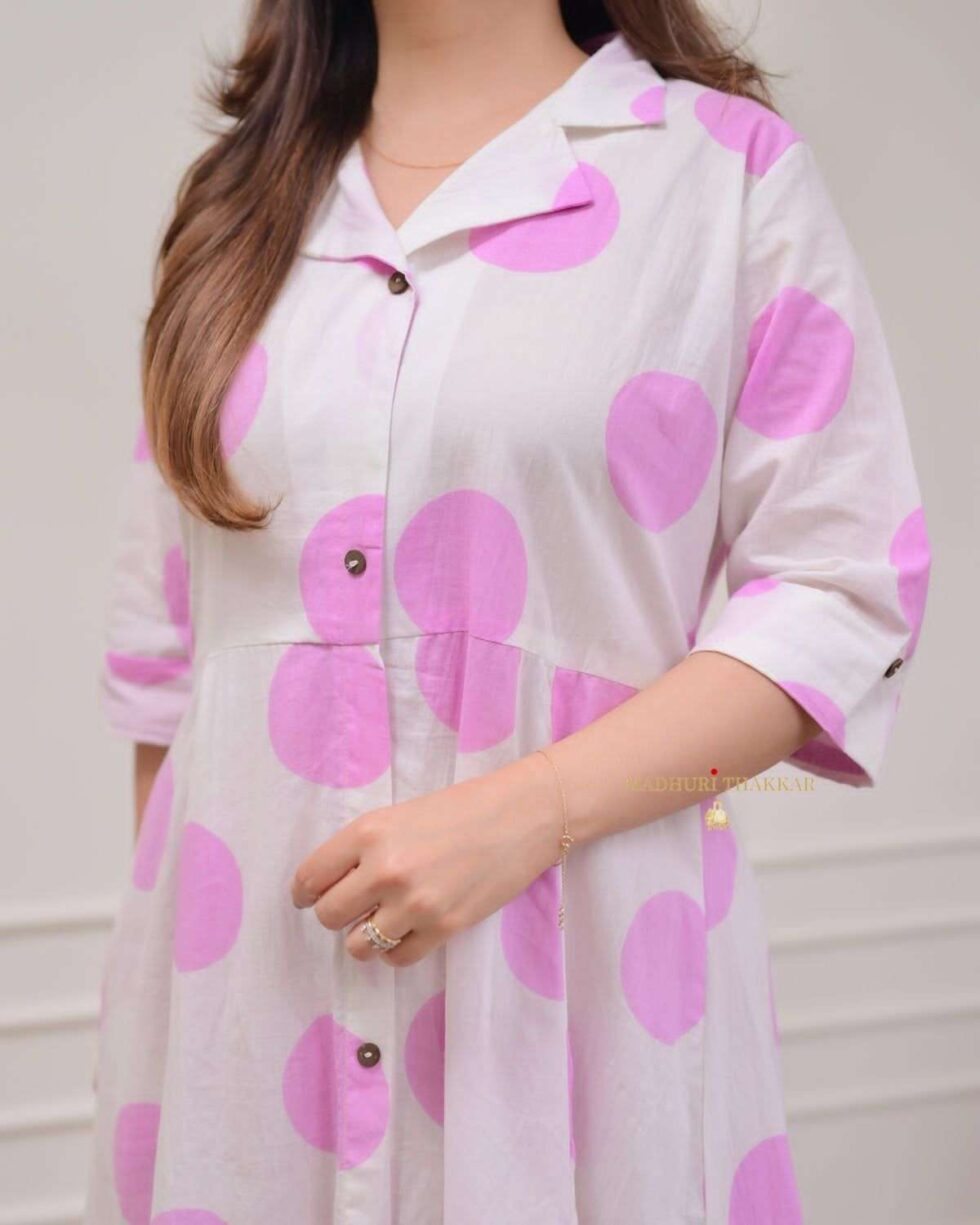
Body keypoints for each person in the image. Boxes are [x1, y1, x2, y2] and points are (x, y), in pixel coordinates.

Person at [84, 1, 932, 1222]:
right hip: (246, 1027)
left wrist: (525, 812)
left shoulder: (721, 177)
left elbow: (840, 589)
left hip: (584, 1007)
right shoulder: (234, 204)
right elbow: (168, 671)